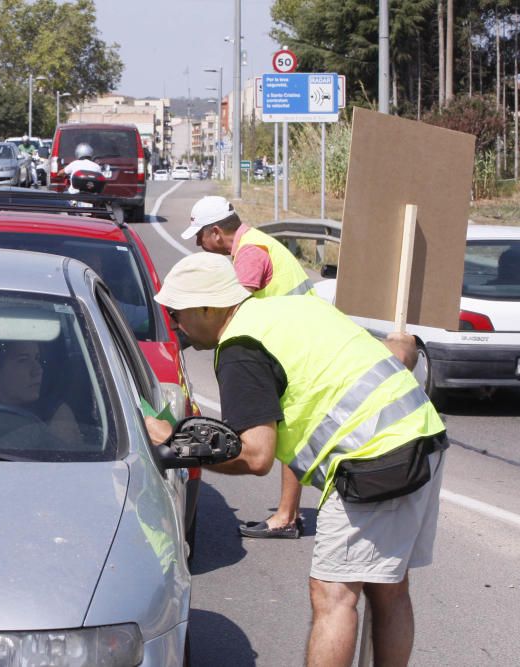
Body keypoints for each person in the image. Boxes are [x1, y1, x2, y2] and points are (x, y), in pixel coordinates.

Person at [147, 253, 446, 667]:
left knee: (334, 595)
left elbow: (255, 455)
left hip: (374, 460)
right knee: (389, 586)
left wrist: (175, 444)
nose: (175, 323)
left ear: (207, 307)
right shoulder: (290, 306)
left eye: (177, 312)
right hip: (421, 432)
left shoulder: (241, 347)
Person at [181, 195, 313, 539]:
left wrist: (189, 332)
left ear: (214, 232)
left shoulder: (251, 253)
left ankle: (286, 517)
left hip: (292, 344)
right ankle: (289, 513)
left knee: (290, 428)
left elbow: (232, 311)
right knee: (291, 428)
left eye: (199, 236)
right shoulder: (254, 244)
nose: (198, 244)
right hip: (295, 337)